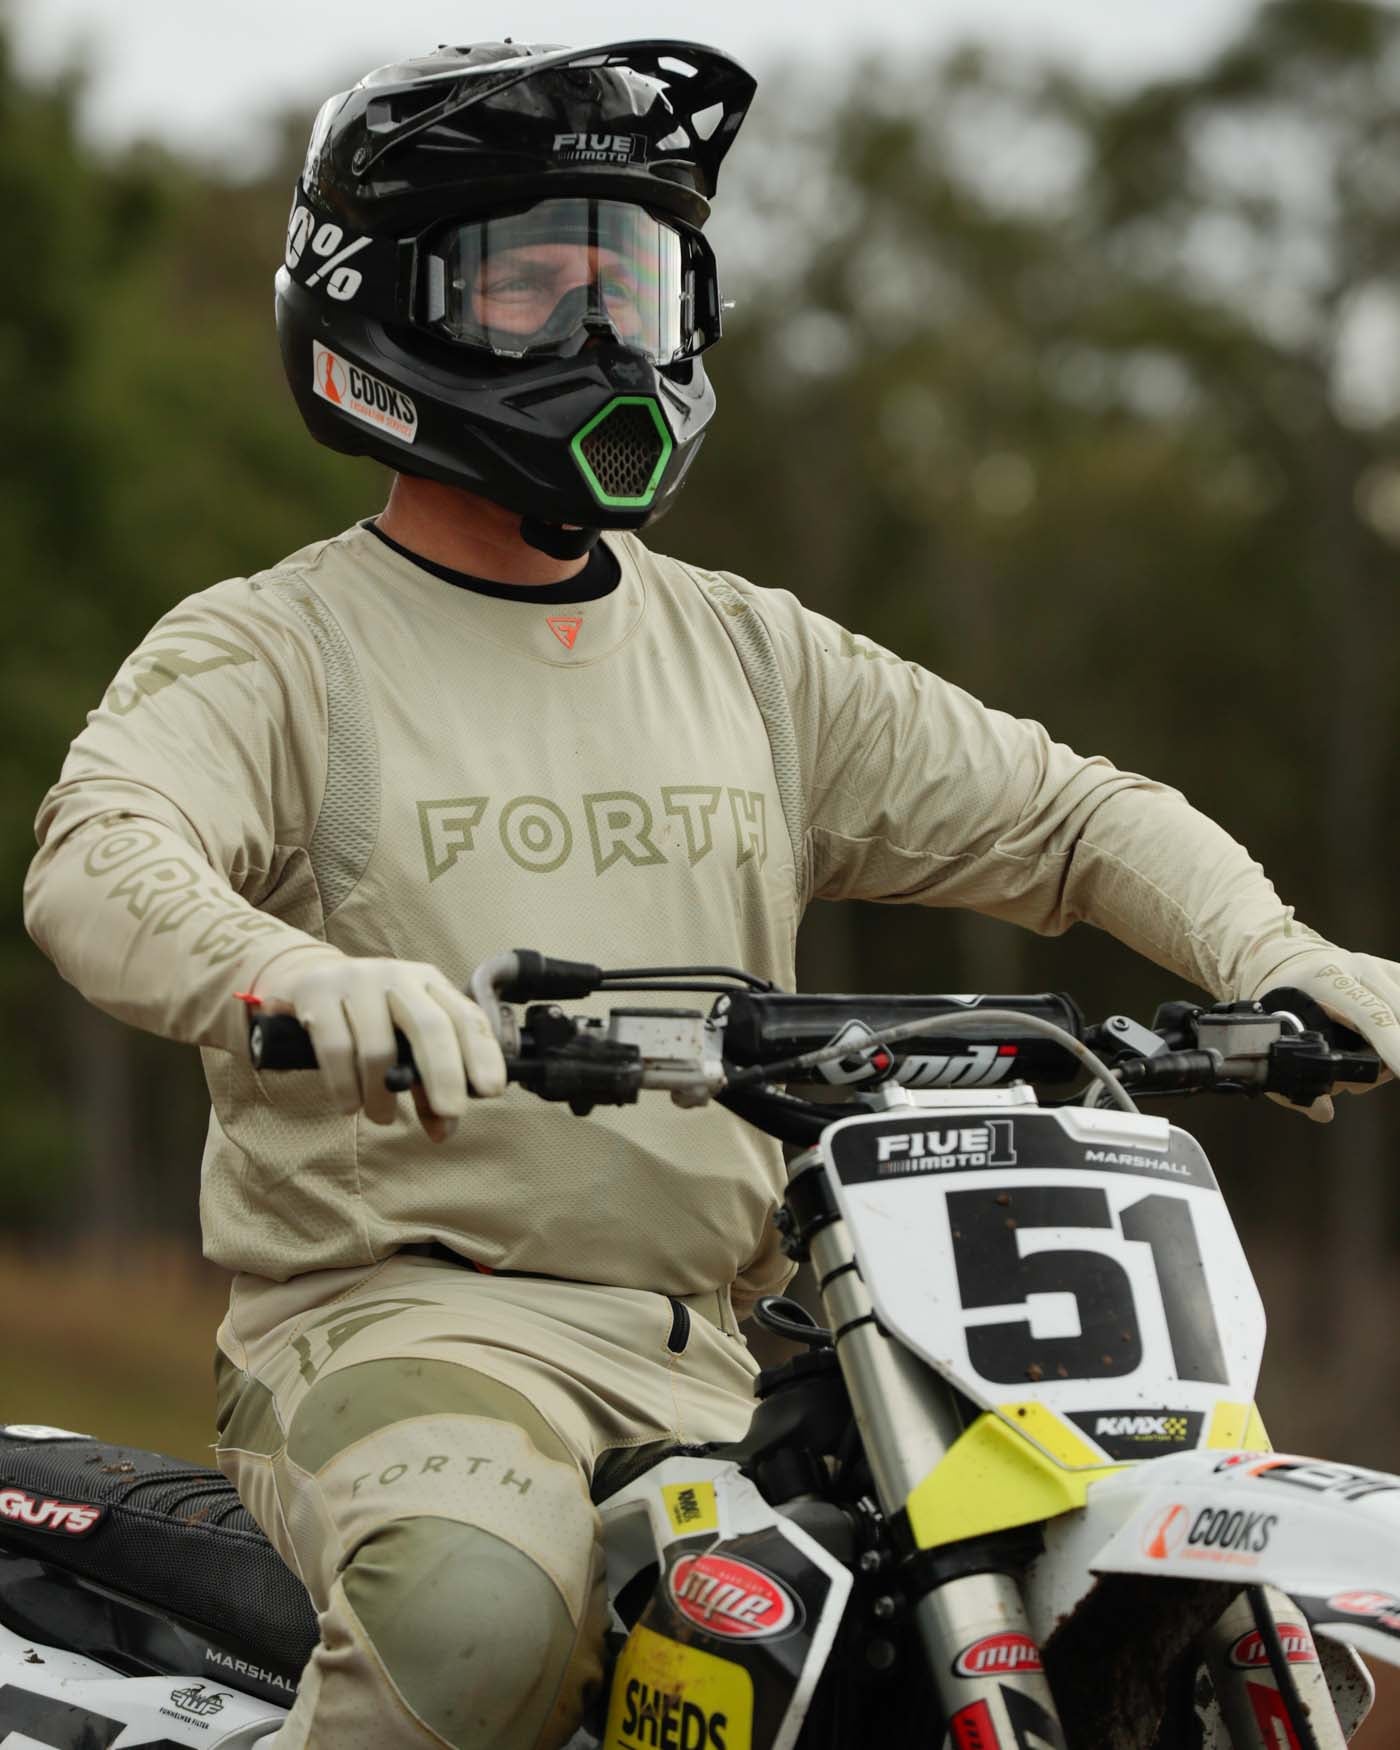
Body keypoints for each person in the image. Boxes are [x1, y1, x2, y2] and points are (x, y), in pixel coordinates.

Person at [21, 36, 1400, 1750]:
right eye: (534, 281)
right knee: (472, 1619)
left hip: (751, 1343)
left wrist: (1280, 948)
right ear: (384, 307)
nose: (603, 332)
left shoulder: (752, 654)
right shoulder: (280, 646)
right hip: (400, 1323)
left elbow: (1072, 816)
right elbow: (102, 850)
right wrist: (283, 972)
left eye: (634, 279)